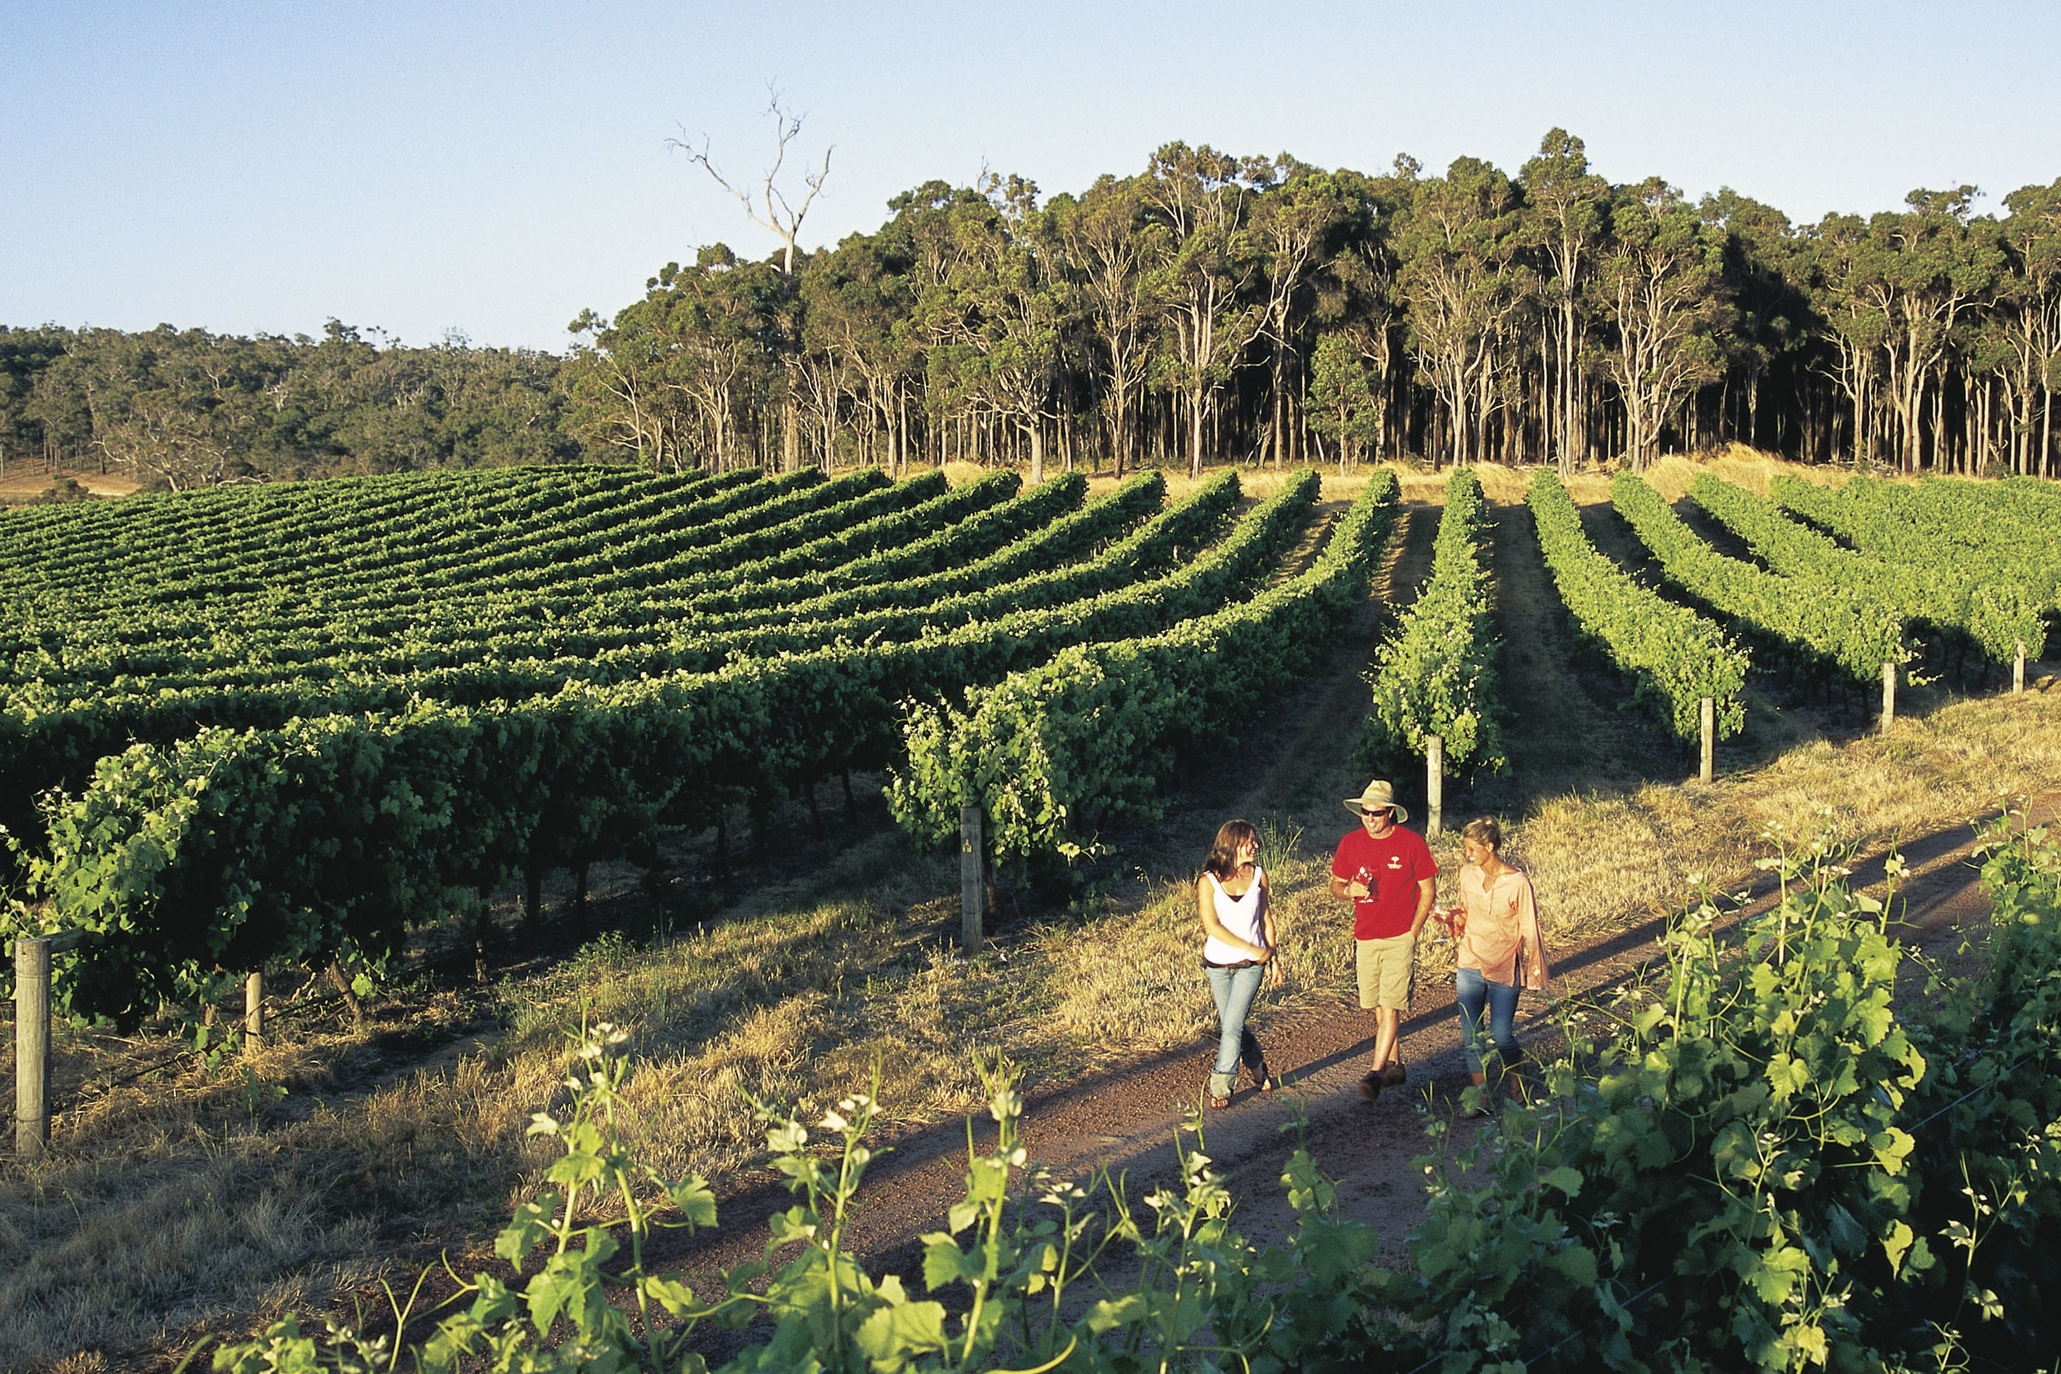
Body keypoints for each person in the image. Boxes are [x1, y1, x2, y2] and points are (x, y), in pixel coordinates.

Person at [1331, 780, 1436, 1101]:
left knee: (1390, 1007)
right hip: (1365, 936)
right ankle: (1395, 1065)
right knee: (1378, 1006)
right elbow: (1336, 884)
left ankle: (1374, 1075)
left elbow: (1428, 890)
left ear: (1390, 813)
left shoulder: (1411, 843)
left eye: (1376, 813)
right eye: (1364, 812)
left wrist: (1412, 932)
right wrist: (1349, 891)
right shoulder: (1350, 843)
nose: (1369, 819)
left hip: (1398, 937)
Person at [1443, 816, 1549, 1101]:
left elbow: (1530, 927)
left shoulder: (1517, 882)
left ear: (1490, 846)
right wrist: (1452, 917)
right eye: (1466, 849)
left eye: (1472, 849)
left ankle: (1518, 1080)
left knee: (1501, 1035)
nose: (1468, 855)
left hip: (1504, 967)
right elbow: (1467, 910)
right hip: (1469, 962)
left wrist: (1534, 971)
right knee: (1472, 1037)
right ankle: (1480, 1097)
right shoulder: (1467, 873)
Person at [1197, 818, 1279, 1108]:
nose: (1255, 845)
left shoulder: (1260, 876)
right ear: (1232, 845)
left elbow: (1266, 919)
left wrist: (1272, 958)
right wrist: (1249, 947)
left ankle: (1221, 1085)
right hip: (1217, 964)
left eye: (1255, 840)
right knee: (1233, 1023)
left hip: (1251, 965)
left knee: (1230, 1027)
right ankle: (1257, 1067)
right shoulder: (1207, 881)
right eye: (1249, 841)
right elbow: (1212, 926)